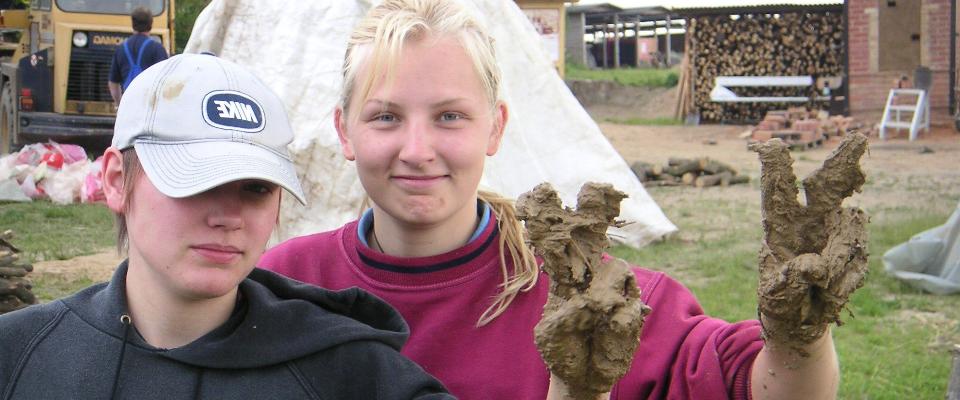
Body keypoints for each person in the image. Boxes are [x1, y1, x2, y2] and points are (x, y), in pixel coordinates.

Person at [259, 0, 842, 399]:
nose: (417, 149)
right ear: (344, 131)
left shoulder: (595, 299)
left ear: (495, 127)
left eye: (450, 117)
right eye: (386, 116)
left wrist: (800, 335)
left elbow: (763, 385)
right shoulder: (282, 286)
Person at [0, 53, 453, 400]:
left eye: (255, 188)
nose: (228, 216)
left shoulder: (350, 373)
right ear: (117, 182)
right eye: (195, 183)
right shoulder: (19, 357)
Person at [108, 5, 168, 105]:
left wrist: (119, 104)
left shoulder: (121, 49)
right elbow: (165, 80)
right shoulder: (157, 49)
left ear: (132, 24)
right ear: (151, 24)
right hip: (148, 105)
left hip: (128, 103)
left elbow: (113, 83)